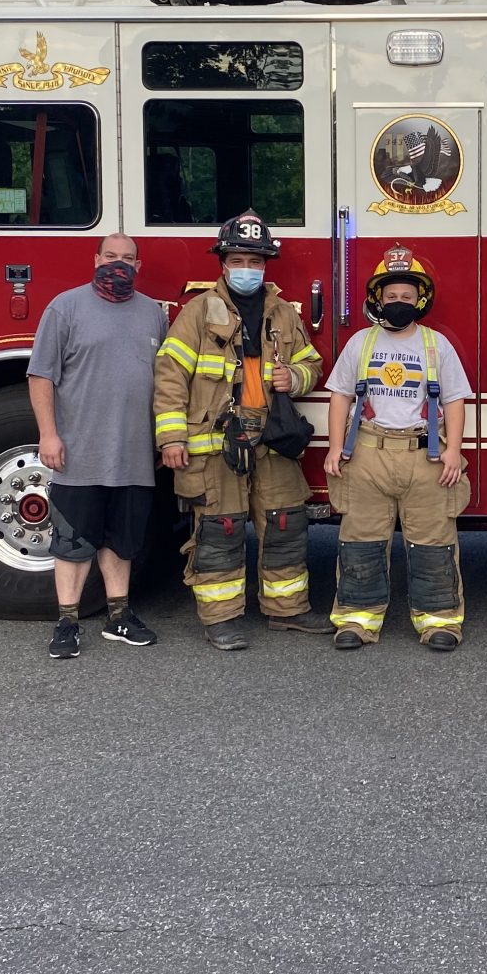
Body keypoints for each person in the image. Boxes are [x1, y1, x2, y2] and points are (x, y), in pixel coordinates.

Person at [152, 212, 328, 649]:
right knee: (219, 528)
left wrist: (296, 379)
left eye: (255, 260)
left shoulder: (283, 312)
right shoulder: (197, 312)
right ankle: (220, 618)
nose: (247, 268)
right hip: (216, 444)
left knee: (285, 524)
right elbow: (170, 375)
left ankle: (288, 609)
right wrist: (171, 438)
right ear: (223, 263)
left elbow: (312, 363)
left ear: (265, 264)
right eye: (238, 259)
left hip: (272, 439)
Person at [322, 247, 473, 651]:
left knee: (433, 542)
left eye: (407, 297)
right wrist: (335, 447)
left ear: (420, 300)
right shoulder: (360, 342)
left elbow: (455, 400)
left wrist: (454, 451)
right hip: (368, 452)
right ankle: (356, 620)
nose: (399, 304)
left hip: (424, 454)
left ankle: (440, 622)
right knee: (361, 540)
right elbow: (339, 397)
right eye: (391, 298)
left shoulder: (436, 344)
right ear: (378, 300)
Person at [27, 232, 165, 660]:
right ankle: (67, 621)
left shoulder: (154, 315)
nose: (118, 264)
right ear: (95, 259)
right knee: (72, 541)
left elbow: (165, 384)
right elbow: (40, 376)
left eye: (127, 258)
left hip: (134, 454)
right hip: (79, 452)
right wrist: (48, 434)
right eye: (110, 256)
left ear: (138, 266)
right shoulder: (64, 308)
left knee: (122, 542)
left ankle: (118, 616)